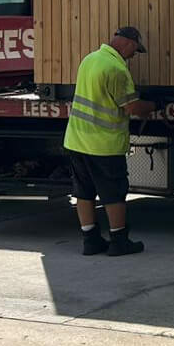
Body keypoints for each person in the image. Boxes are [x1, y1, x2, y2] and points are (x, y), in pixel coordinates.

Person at [62, 26, 157, 256]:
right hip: (103, 145)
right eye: (135, 50)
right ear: (128, 43)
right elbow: (132, 107)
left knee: (83, 192)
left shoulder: (89, 60)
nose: (134, 56)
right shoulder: (116, 69)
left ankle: (90, 240)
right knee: (113, 193)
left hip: (76, 140)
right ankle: (119, 240)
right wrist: (155, 105)